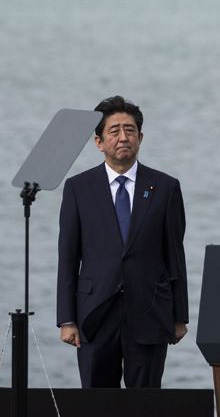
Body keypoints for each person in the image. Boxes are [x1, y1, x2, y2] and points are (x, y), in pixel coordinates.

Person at [56, 96, 188, 389]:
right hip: (94, 313)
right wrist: (66, 319)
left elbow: (175, 254)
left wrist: (179, 316)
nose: (123, 137)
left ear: (140, 138)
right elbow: (68, 257)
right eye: (114, 131)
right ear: (99, 142)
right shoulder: (78, 188)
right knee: (97, 407)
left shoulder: (165, 187)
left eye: (130, 130)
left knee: (144, 407)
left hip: (150, 313)